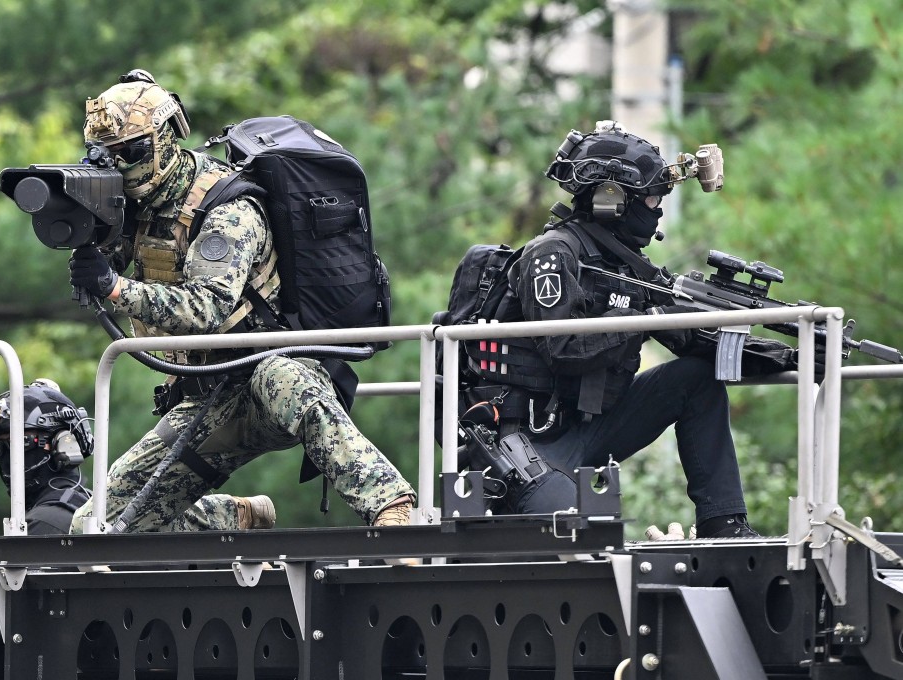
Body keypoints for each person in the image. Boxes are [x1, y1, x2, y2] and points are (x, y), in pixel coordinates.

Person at [67, 70, 415, 533]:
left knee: (285, 375)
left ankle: (392, 506)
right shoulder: (135, 209)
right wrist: (86, 235)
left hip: (267, 382)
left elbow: (208, 309)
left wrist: (115, 288)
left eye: (131, 152)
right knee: (94, 526)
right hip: (207, 398)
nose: (122, 167)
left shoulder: (227, 210)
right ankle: (235, 516)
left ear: (168, 139)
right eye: (108, 156)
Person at [455, 120, 760, 538]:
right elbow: (563, 348)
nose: (657, 211)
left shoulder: (625, 265)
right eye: (652, 199)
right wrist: (642, 320)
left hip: (589, 429)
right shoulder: (551, 254)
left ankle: (724, 526)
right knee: (583, 541)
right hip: (530, 441)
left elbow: (690, 337)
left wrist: (787, 354)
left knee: (695, 378)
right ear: (612, 198)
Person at [0, 379, 275, 535]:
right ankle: (227, 512)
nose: (6, 458)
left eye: (19, 444)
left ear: (62, 445)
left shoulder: (47, 523)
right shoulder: (94, 506)